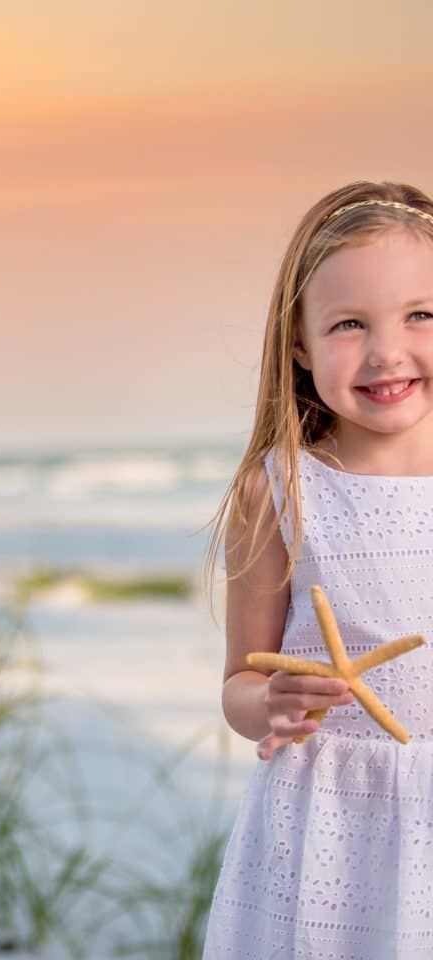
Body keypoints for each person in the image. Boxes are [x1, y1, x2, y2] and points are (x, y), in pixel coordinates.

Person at [202, 180, 433, 958]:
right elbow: (239, 683)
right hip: (329, 821)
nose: (387, 352)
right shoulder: (282, 488)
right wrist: (271, 706)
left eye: (420, 315)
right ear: (297, 343)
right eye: (347, 325)